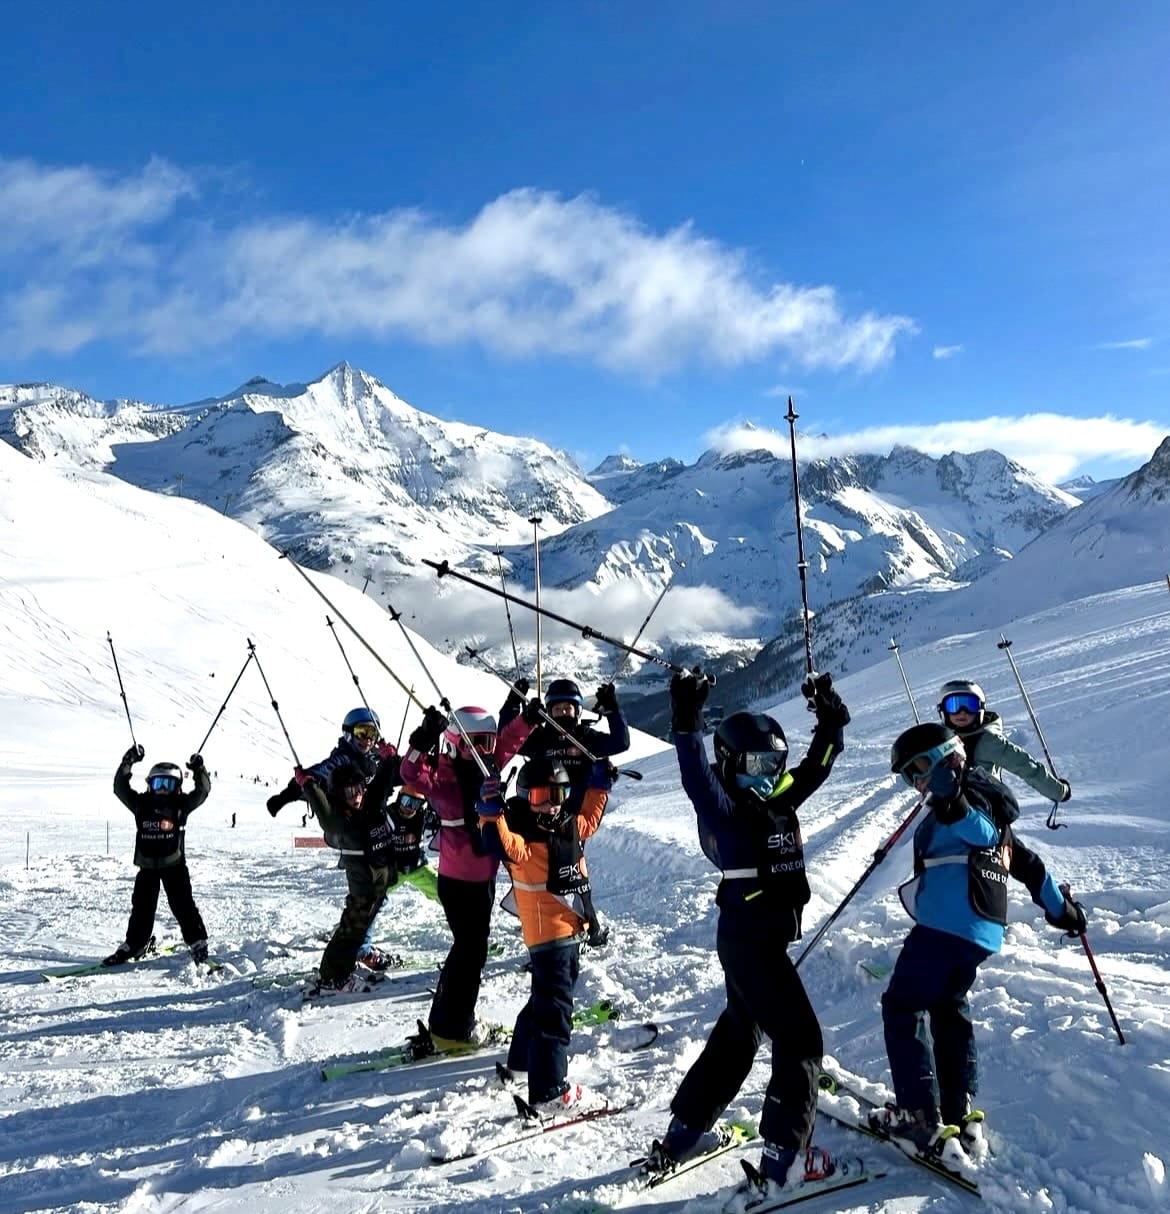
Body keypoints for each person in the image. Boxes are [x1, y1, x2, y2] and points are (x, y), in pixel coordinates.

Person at [650, 670, 851, 1192]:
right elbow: (695, 775)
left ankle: (686, 1129)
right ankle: (786, 1160)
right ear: (731, 765)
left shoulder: (777, 801)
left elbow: (819, 766)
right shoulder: (726, 812)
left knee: (742, 1031)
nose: (769, 774)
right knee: (801, 1041)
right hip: (751, 942)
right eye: (757, 765)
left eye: (775, 764)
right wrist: (688, 718)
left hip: (751, 940)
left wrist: (830, 719)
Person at [877, 722, 1088, 1156]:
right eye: (907, 776)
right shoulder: (1000, 821)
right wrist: (1064, 912)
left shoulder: (963, 802)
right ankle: (960, 1116)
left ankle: (918, 1116)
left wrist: (952, 800)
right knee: (949, 1009)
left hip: (941, 927)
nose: (915, 782)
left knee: (902, 1005)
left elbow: (978, 830)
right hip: (981, 933)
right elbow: (1035, 871)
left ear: (945, 756)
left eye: (918, 768)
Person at [400, 699, 538, 1048]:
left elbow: (508, 743)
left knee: (470, 949)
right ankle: (452, 1028)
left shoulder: (488, 766)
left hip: (483, 878)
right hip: (459, 881)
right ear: (456, 742)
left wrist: (527, 719)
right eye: (473, 742)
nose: (482, 750)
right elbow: (410, 774)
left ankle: (448, 1020)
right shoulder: (444, 777)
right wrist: (423, 737)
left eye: (486, 742)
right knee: (470, 951)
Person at [478, 756, 611, 1113]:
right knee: (555, 1012)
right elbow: (501, 843)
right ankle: (550, 1091)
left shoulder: (567, 824)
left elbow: (589, 820)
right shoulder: (524, 838)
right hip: (547, 936)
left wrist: (598, 786)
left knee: (542, 1003)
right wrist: (490, 812)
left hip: (569, 932)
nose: (551, 804)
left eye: (560, 793)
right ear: (525, 796)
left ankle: (521, 1065)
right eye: (541, 796)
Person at [503, 676, 630, 947]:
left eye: (568, 708)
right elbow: (507, 739)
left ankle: (589, 923)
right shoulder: (539, 737)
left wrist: (613, 709)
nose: (563, 713)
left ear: (578, 710)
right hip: (538, 816)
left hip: (573, 817)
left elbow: (621, 743)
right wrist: (514, 705)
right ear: (549, 711)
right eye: (557, 709)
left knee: (574, 871)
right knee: (535, 874)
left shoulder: (586, 738)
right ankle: (538, 917)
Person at [300, 756, 401, 993]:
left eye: (359, 790)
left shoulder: (370, 804)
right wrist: (309, 786)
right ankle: (332, 976)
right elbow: (325, 817)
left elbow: (380, 783)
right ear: (337, 795)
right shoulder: (341, 820)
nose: (356, 796)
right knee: (351, 929)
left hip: (379, 883)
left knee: (358, 929)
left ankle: (343, 964)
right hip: (363, 887)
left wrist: (388, 759)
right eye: (348, 793)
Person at [105, 747, 212, 965]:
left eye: (168, 784)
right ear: (150, 784)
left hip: (174, 865)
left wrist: (199, 770)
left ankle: (197, 941)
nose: (162, 789)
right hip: (147, 866)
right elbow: (120, 789)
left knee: (182, 905)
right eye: (158, 784)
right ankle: (135, 944)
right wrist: (127, 763)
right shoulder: (141, 804)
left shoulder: (181, 805)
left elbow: (202, 792)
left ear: (178, 787)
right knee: (141, 907)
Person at [936, 680, 1070, 804]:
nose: (962, 712)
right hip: (946, 808)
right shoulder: (939, 739)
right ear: (943, 710)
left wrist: (1059, 791)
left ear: (980, 709)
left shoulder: (988, 741)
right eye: (953, 706)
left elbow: (1026, 766)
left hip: (984, 808)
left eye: (970, 705)